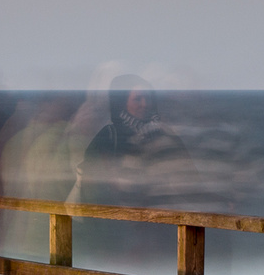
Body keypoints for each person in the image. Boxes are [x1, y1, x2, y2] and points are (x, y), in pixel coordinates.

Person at [76, 76, 196, 207]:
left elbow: (189, 174)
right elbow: (94, 188)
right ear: (123, 102)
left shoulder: (165, 132)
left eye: (148, 98)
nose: (145, 104)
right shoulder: (108, 137)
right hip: (122, 216)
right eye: (137, 99)